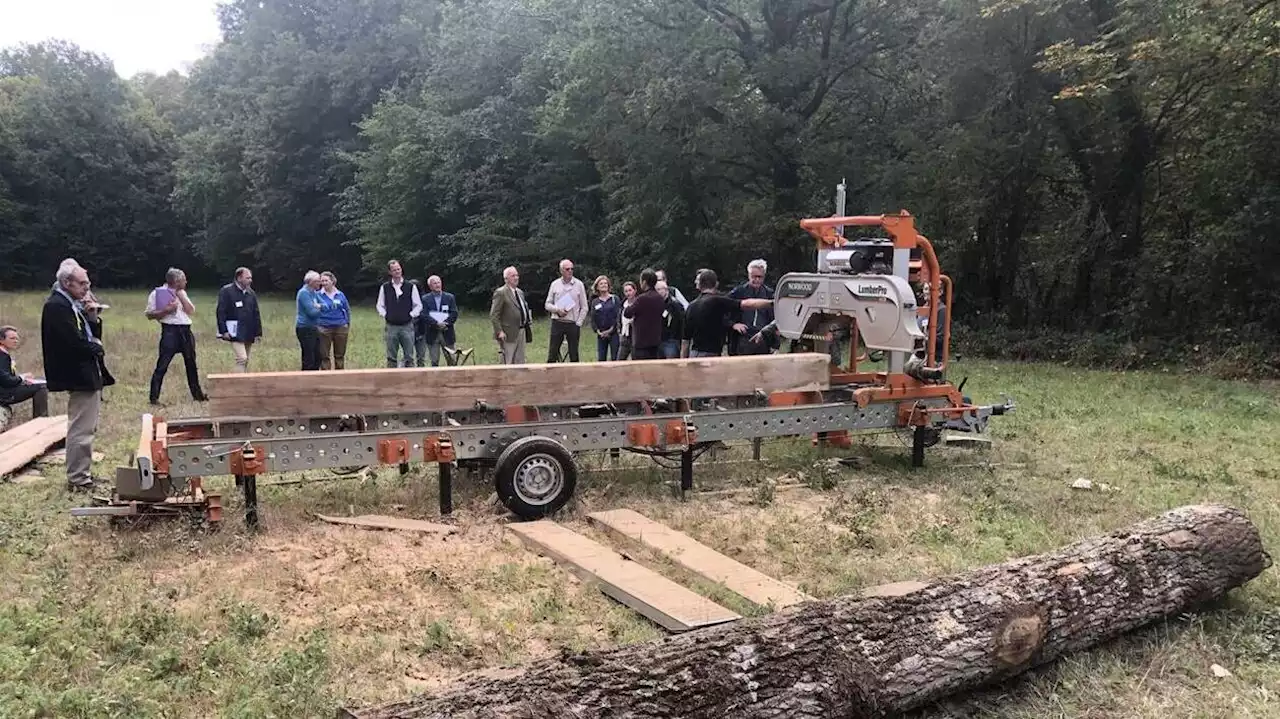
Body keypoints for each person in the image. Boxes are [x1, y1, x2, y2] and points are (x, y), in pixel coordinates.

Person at [42, 260, 114, 491]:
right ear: (66, 282)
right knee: (81, 429)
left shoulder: (71, 304)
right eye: (82, 283)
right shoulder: (57, 306)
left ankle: (83, 473)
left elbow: (88, 334)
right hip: (77, 374)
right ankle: (78, 479)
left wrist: (91, 316)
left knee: (87, 427)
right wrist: (97, 347)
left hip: (86, 372)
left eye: (88, 283)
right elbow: (73, 343)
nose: (86, 288)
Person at [144, 267, 207, 405]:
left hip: (185, 330)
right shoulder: (157, 293)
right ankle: (154, 398)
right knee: (162, 365)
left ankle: (198, 395)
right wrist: (166, 310)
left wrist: (181, 296)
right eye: (183, 279)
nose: (186, 281)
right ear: (176, 281)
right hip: (170, 331)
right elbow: (149, 314)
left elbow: (190, 311)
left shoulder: (182, 293)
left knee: (191, 363)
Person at [682, 269, 773, 358]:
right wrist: (772, 303)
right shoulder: (718, 301)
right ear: (716, 284)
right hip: (711, 355)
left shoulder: (691, 306)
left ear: (699, 285)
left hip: (694, 354)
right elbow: (747, 304)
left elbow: (685, 341)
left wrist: (683, 362)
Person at [215, 267, 263, 373]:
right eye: (247, 278)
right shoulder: (226, 291)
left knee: (246, 360)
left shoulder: (251, 293)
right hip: (234, 332)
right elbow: (220, 312)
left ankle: (242, 382)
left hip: (248, 332)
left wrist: (258, 333)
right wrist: (223, 331)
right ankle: (236, 383)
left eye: (250, 278)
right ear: (239, 278)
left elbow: (256, 314)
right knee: (242, 358)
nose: (250, 280)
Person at [377, 259, 422, 368]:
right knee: (391, 356)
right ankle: (391, 379)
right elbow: (380, 305)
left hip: (407, 326)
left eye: (398, 269)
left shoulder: (411, 286)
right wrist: (385, 314)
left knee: (409, 356)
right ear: (390, 272)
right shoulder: (385, 287)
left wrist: (411, 315)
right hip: (391, 326)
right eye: (394, 270)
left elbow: (418, 305)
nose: (397, 271)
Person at [727, 259, 776, 356]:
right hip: (743, 337)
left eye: (760, 277)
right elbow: (722, 309)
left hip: (763, 337)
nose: (757, 280)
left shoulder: (769, 294)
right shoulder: (738, 292)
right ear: (749, 275)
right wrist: (733, 324)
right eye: (754, 277)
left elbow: (775, 318)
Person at [544, 258, 589, 363]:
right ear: (561, 271)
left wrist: (578, 323)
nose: (570, 271)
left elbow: (584, 307)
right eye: (567, 269)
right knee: (553, 353)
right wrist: (557, 310)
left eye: (572, 269)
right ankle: (551, 376)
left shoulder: (579, 285)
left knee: (574, 354)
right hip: (557, 322)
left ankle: (575, 376)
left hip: (573, 324)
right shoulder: (555, 284)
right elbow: (547, 304)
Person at [0, 326, 49, 419]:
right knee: (41, 387)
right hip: (4, 395)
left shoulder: (4, 354)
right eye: (12, 338)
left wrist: (22, 380)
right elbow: (6, 381)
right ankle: (40, 420)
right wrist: (22, 377)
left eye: (17, 338)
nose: (15, 341)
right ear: (1, 340)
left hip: (7, 389)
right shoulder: (1, 356)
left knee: (41, 380)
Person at [490, 266, 533, 364]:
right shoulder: (501, 293)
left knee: (520, 361)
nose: (516, 278)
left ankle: (518, 379)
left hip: (521, 331)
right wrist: (499, 331)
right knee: (507, 361)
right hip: (508, 333)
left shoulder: (520, 292)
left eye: (517, 275)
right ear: (506, 279)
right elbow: (494, 315)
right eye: (513, 276)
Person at [622, 269, 666, 360]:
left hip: (641, 343)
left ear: (645, 282)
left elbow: (627, 313)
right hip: (656, 341)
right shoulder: (660, 298)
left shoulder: (641, 299)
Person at [416, 275, 458, 367]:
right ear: (430, 286)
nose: (437, 285)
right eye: (434, 283)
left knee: (451, 360)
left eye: (439, 282)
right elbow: (424, 315)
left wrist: (446, 323)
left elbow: (454, 313)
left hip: (447, 332)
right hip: (432, 333)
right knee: (434, 361)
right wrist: (436, 323)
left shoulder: (450, 297)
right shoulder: (425, 299)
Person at [317, 271, 351, 370]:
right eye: (322, 281)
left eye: (326, 280)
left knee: (340, 355)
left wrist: (347, 323)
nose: (324, 283)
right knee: (324, 355)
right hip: (323, 327)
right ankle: (326, 377)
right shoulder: (317, 295)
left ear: (332, 281)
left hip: (340, 327)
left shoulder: (340, 294)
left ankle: (340, 375)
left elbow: (347, 309)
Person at [295, 271, 324, 371]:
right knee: (309, 357)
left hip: (314, 327)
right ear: (310, 282)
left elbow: (327, 305)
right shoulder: (304, 293)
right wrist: (320, 308)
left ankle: (314, 379)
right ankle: (305, 380)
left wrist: (319, 306)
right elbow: (312, 313)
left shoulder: (314, 293)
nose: (320, 283)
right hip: (305, 328)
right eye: (317, 281)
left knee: (318, 356)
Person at [589, 275, 622, 361]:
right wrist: (597, 331)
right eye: (601, 284)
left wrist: (611, 330)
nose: (604, 285)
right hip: (601, 334)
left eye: (605, 283)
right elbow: (593, 318)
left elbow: (618, 316)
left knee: (615, 358)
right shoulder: (595, 302)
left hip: (613, 333)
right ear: (597, 287)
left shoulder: (615, 299)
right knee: (601, 359)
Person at [656, 280, 686, 359]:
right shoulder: (655, 304)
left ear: (666, 290)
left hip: (671, 340)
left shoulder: (675, 304)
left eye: (659, 289)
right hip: (658, 340)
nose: (657, 292)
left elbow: (682, 322)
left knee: (671, 366)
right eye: (655, 290)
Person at [618, 281, 636, 361]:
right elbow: (619, 319)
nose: (628, 293)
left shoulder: (638, 303)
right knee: (619, 360)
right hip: (624, 336)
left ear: (635, 291)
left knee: (635, 360)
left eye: (630, 290)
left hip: (635, 337)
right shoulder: (622, 305)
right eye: (626, 291)